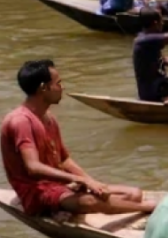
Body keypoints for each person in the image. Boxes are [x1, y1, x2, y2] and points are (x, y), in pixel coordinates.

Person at [2, 60, 151, 218]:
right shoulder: (20, 121)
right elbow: (33, 167)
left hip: (60, 185)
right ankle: (150, 207)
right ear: (43, 88)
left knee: (133, 194)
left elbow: (64, 159)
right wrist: (80, 180)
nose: (62, 87)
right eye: (58, 83)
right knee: (90, 202)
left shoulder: (48, 118)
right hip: (36, 192)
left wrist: (91, 181)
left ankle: (76, 204)